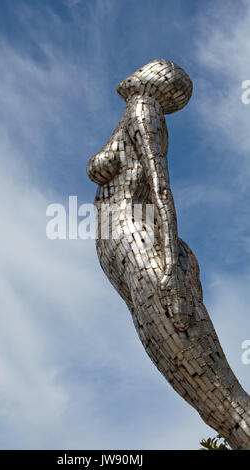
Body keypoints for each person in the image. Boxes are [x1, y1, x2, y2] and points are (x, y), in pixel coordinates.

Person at [87, 59, 250, 450]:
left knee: (215, 390)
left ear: (159, 82)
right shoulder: (133, 113)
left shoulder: (145, 110)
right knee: (194, 387)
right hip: (121, 251)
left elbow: (161, 186)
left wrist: (172, 272)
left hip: (139, 240)